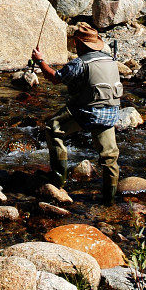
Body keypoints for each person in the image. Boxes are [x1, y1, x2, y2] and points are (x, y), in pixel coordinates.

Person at [31, 22, 122, 206]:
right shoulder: (111, 61)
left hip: (87, 112)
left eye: (76, 43)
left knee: (53, 128)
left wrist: (40, 60)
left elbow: (54, 78)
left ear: (79, 44)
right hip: (111, 113)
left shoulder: (80, 63)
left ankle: (57, 178)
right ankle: (109, 201)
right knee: (109, 156)